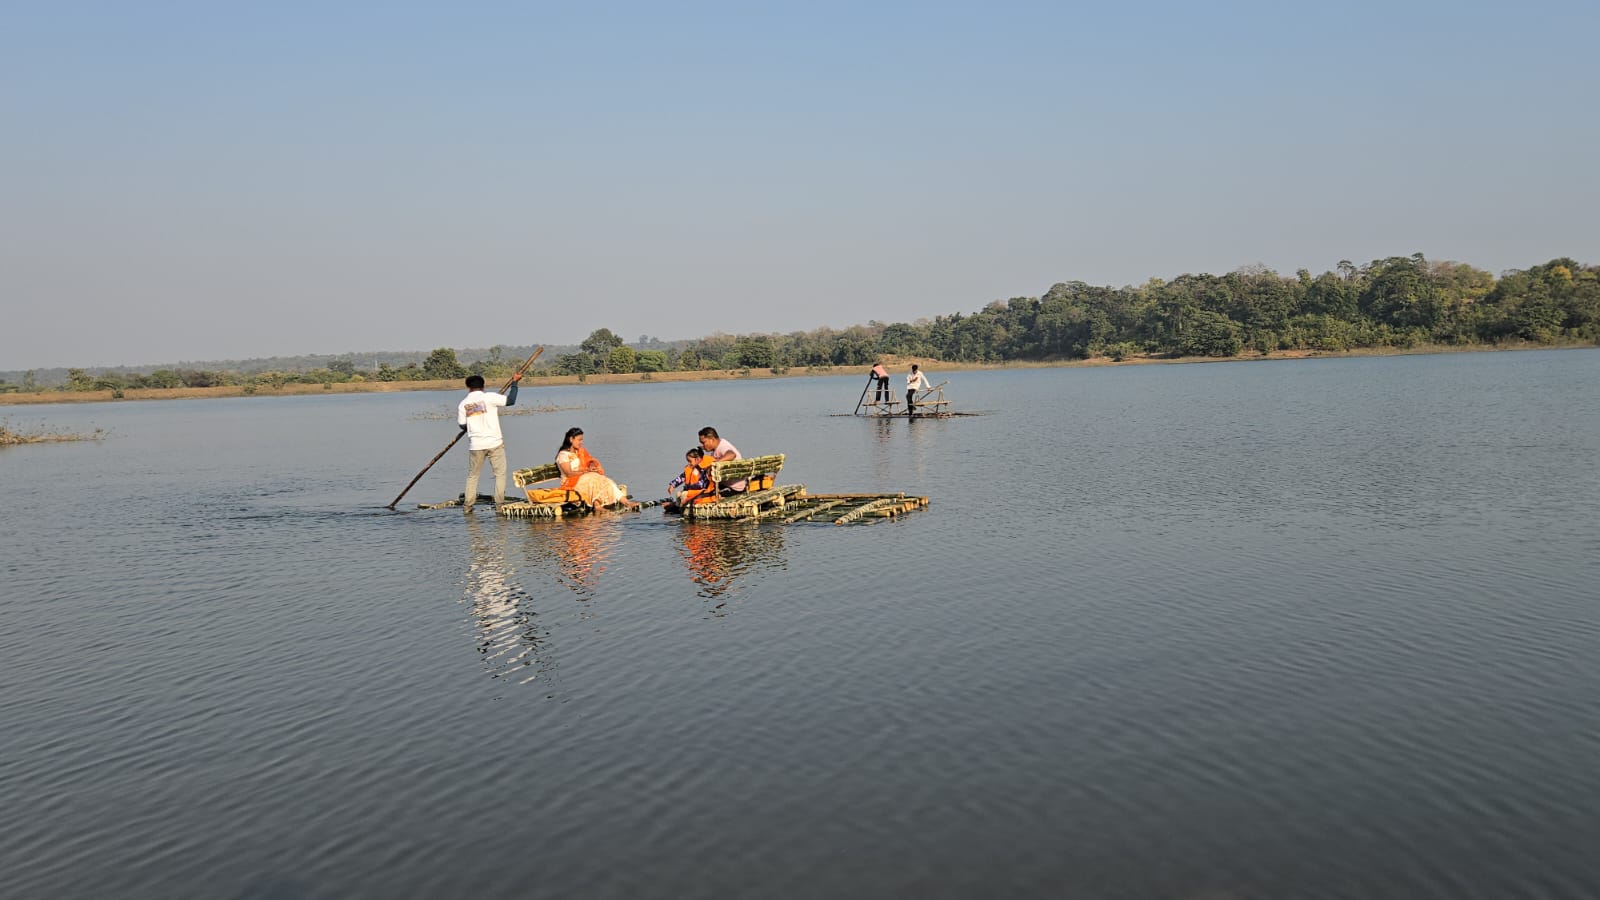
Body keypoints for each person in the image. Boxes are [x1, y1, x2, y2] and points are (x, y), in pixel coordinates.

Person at [457, 372, 520, 510]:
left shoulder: (463, 404)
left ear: (468, 387)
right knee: (500, 475)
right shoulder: (490, 397)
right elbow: (510, 401)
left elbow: (462, 425)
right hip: (495, 443)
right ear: (483, 386)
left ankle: (468, 506)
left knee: (473, 476)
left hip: (476, 445)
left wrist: (474, 422)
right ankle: (499, 505)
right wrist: (514, 383)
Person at [556, 427, 637, 510]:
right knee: (592, 479)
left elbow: (589, 461)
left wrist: (591, 466)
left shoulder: (580, 451)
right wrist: (586, 472)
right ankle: (597, 505)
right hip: (570, 482)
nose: (581, 442)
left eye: (582, 440)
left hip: (583, 478)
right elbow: (569, 473)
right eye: (579, 440)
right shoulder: (563, 455)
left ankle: (626, 502)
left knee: (605, 480)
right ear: (571, 439)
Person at [697, 426, 745, 493]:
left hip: (733, 488)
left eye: (703, 442)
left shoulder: (723, 447)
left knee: (702, 495)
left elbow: (732, 454)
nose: (702, 445)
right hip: (725, 484)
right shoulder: (717, 447)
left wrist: (714, 464)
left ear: (712, 439)